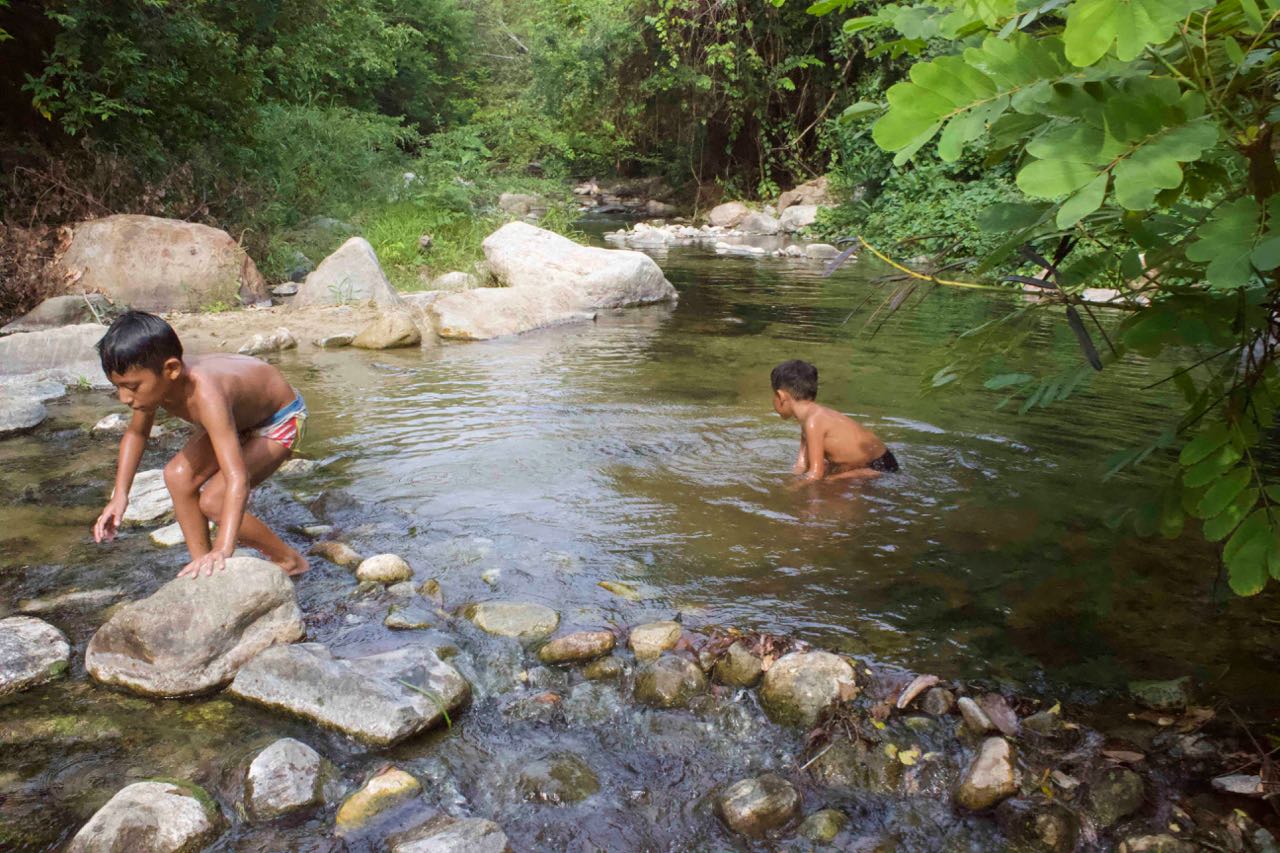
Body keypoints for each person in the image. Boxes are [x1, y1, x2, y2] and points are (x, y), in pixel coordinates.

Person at [92, 310, 310, 579]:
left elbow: (237, 478)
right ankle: (202, 565)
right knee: (177, 476)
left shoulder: (205, 394)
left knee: (215, 501)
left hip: (279, 419)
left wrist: (224, 548)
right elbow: (136, 434)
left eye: (132, 387)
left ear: (171, 369)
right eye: (118, 387)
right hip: (238, 419)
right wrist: (120, 496)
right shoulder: (155, 385)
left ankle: (290, 561)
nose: (124, 398)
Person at [770, 359, 899, 482]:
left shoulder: (814, 421)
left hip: (880, 467)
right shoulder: (809, 419)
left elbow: (815, 474)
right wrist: (791, 482)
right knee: (828, 474)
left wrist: (789, 490)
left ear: (781, 396)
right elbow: (801, 465)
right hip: (874, 461)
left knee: (829, 481)